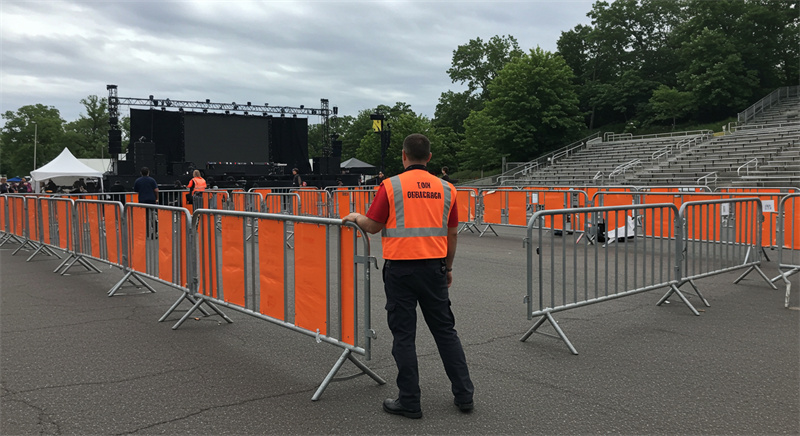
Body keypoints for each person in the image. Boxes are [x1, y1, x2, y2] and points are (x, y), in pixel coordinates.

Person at [342, 133, 474, 419]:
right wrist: (448, 267)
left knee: (404, 336)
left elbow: (373, 225)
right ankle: (464, 395)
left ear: (404, 156)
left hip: (401, 270)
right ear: (428, 157)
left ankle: (410, 401)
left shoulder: (390, 186)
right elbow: (452, 234)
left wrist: (354, 217)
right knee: (445, 332)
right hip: (434, 268)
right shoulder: (448, 189)